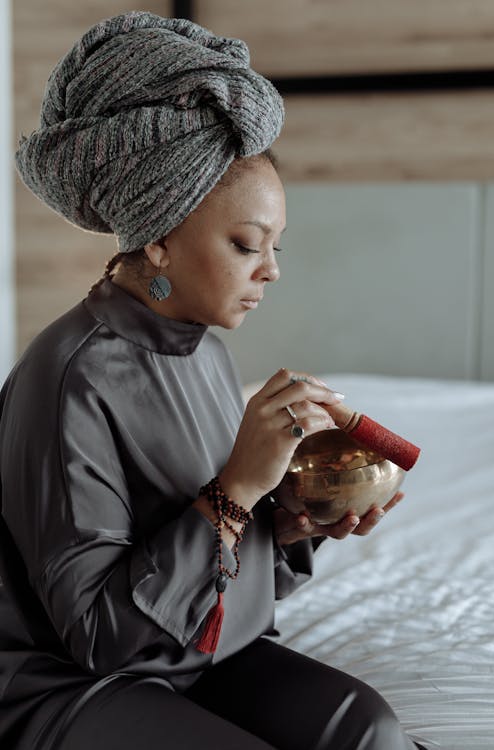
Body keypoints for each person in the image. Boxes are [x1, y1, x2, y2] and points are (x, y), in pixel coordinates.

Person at [0, 12, 424, 750]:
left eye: (275, 246)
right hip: (72, 683)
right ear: (159, 237)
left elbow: (214, 565)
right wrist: (236, 488)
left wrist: (291, 521)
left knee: (370, 731)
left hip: (196, 656)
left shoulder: (204, 350)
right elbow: (99, 635)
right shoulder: (69, 377)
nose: (272, 270)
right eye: (245, 245)